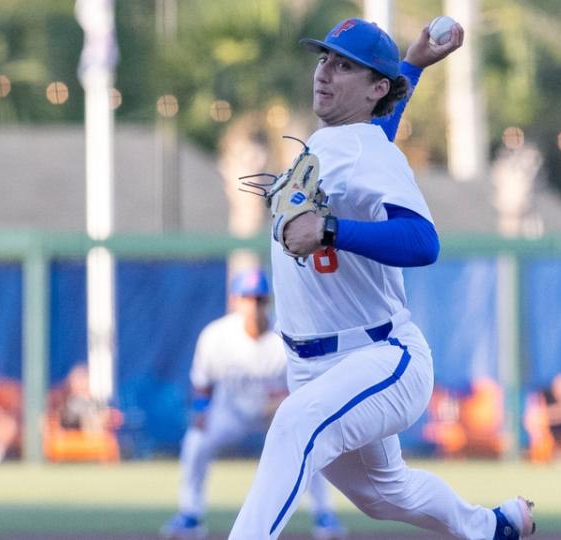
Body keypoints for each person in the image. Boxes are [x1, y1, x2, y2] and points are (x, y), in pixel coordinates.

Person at [228, 18, 536, 540]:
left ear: (374, 88)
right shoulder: (344, 142)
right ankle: (493, 527)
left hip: (381, 356)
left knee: (293, 426)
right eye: (324, 58)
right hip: (313, 363)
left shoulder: (368, 151)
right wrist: (410, 66)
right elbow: (375, 129)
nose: (325, 72)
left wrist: (329, 228)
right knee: (386, 493)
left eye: (344, 65)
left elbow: (422, 241)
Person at [162, 269, 345, 540]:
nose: (253, 305)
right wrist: (201, 409)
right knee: (196, 442)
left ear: (267, 301)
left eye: (259, 299)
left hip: (275, 413)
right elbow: (202, 380)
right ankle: (190, 515)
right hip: (232, 412)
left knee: (310, 444)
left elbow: (306, 383)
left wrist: (285, 404)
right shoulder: (216, 336)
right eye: (247, 298)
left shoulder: (284, 335)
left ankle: (324, 514)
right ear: (235, 300)